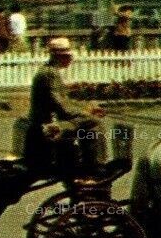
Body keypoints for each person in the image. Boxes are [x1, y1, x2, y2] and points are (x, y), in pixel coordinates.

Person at [26, 37, 106, 174]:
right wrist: (86, 114)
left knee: (89, 120)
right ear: (58, 57)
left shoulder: (49, 71)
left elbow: (63, 101)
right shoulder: (49, 74)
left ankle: (92, 163)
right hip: (46, 125)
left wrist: (86, 109)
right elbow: (62, 107)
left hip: (46, 121)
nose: (70, 60)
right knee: (93, 122)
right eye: (67, 56)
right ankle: (94, 166)